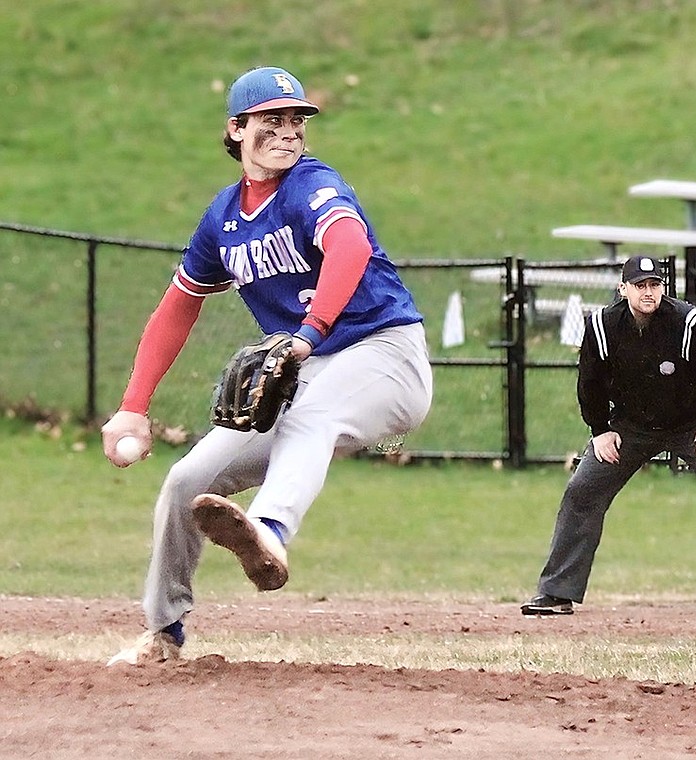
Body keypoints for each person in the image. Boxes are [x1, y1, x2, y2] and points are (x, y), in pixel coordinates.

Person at [101, 66, 433, 664]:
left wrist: (309, 333)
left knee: (312, 417)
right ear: (236, 129)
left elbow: (349, 247)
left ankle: (271, 534)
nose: (287, 132)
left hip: (386, 354)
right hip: (307, 371)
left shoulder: (313, 186)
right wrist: (132, 407)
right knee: (186, 482)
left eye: (296, 121)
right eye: (271, 120)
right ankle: (165, 632)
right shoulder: (223, 219)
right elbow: (178, 305)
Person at [521, 255, 696, 616]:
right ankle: (556, 591)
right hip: (631, 427)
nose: (649, 292)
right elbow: (590, 383)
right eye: (640, 285)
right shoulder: (602, 325)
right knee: (582, 489)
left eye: (654, 285)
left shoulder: (689, 322)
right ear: (623, 289)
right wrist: (600, 431)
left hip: (693, 425)